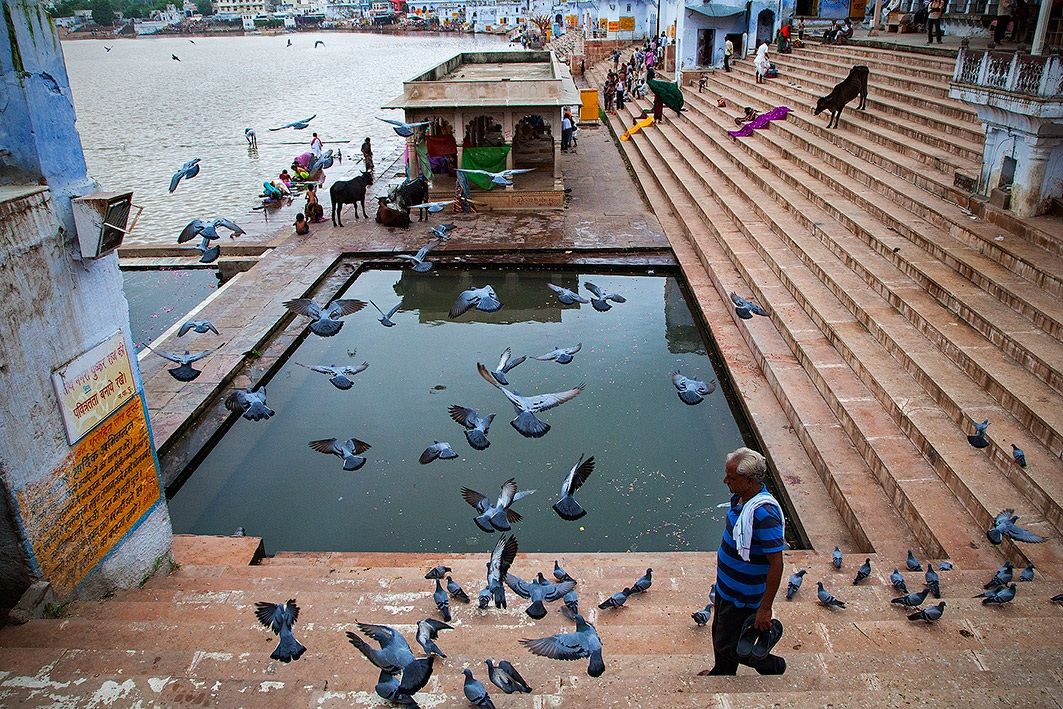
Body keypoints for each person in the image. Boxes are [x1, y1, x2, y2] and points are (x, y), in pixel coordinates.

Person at [698, 448, 786, 677]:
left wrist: (765, 609)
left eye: (731, 478)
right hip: (727, 589)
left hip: (745, 597)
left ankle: (772, 666)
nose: (725, 480)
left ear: (749, 480)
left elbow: (776, 563)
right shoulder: (741, 499)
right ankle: (722, 672)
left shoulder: (765, 514)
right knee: (720, 633)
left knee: (729, 644)